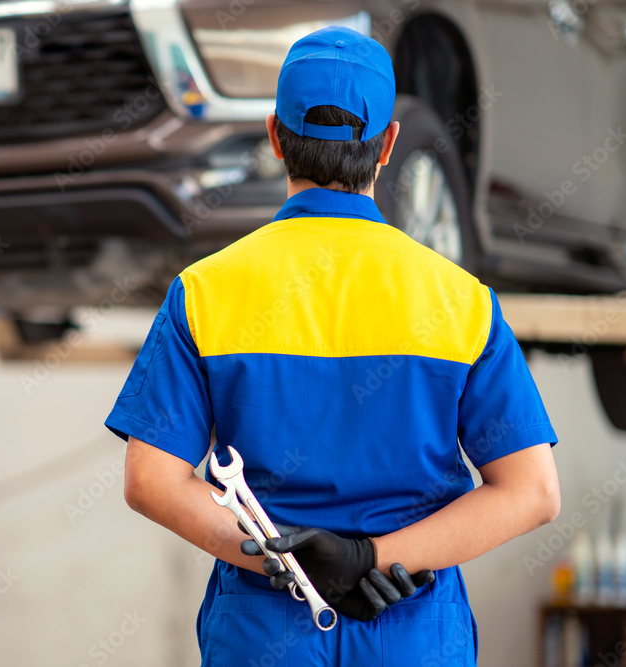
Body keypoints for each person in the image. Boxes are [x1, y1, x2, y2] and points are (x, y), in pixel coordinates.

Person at [104, 25, 560, 666]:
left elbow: (150, 481)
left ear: (273, 136)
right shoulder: (460, 301)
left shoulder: (205, 292)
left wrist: (288, 565)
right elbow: (532, 492)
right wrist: (371, 560)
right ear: (388, 144)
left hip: (264, 635)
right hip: (410, 629)